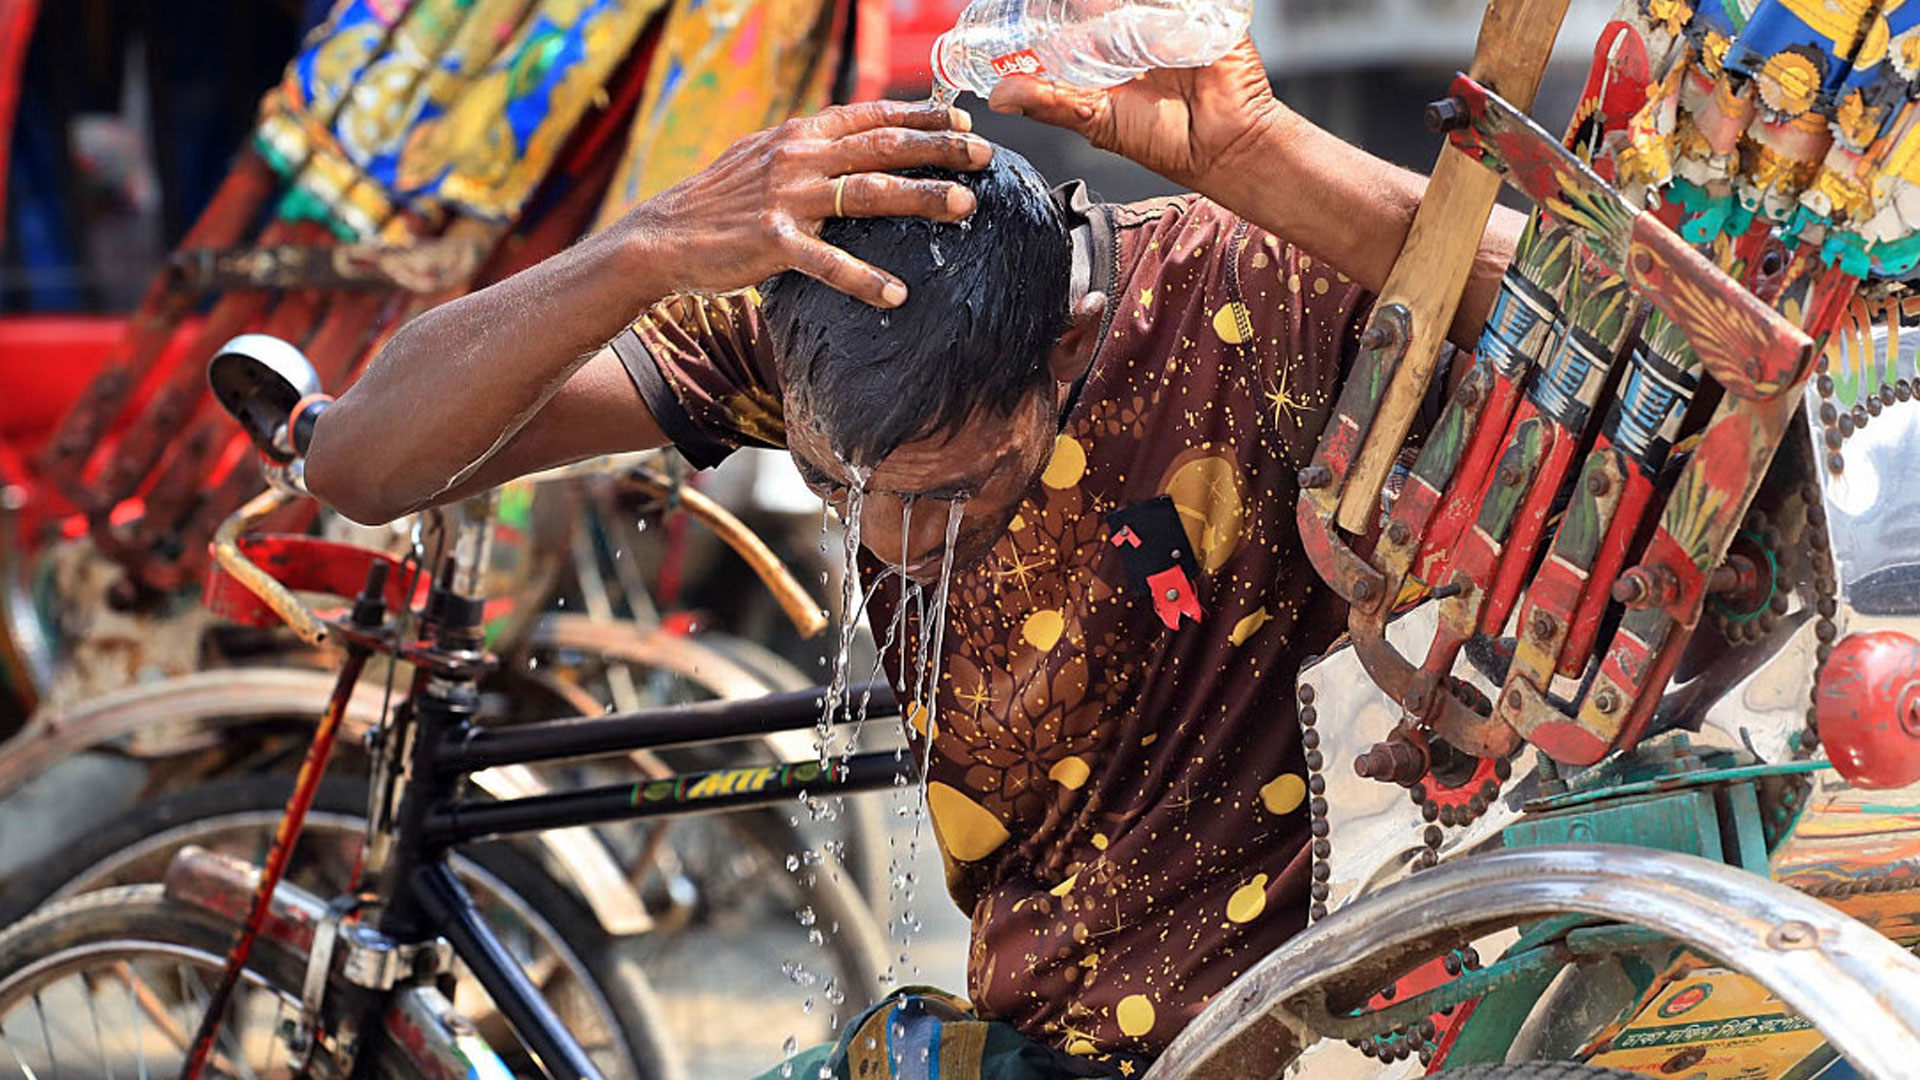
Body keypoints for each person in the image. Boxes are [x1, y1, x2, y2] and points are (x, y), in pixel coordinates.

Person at [306, 36, 1520, 1076]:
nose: (886, 539)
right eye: (834, 488)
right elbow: (361, 465)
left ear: (1067, 348)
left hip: (1319, 1028)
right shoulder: (786, 329)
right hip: (1042, 1034)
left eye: (953, 491)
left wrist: (1258, 152)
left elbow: (1617, 338)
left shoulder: (1231, 292)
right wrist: (645, 244)